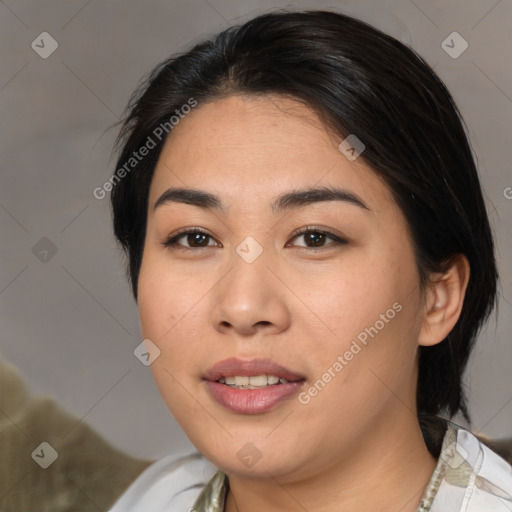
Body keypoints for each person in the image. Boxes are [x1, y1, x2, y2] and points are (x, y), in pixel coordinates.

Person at [107, 9, 512, 512]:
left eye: (315, 238)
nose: (243, 305)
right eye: (194, 237)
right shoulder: (153, 499)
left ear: (438, 297)